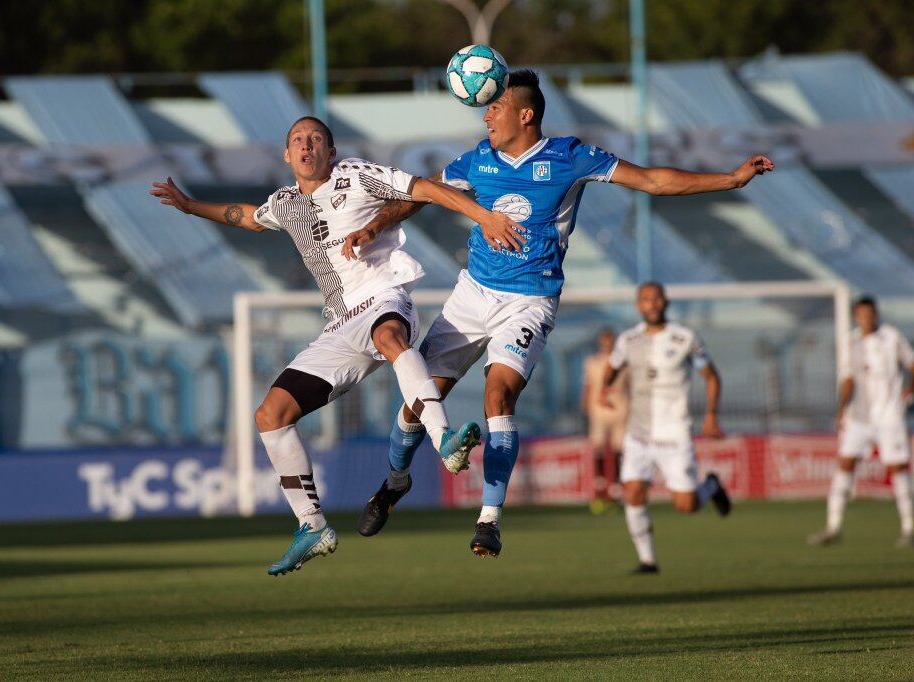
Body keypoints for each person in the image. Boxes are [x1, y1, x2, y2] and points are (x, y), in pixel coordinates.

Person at [355, 69, 773, 557]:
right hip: (471, 296)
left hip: (530, 300)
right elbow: (419, 194)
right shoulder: (478, 159)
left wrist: (731, 178)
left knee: (499, 397)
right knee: (417, 401)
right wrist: (375, 226)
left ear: (526, 114)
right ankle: (395, 482)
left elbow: (652, 180)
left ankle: (489, 519)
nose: (486, 112)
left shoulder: (570, 156)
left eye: (497, 105)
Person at [150, 116, 527, 575]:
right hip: (340, 324)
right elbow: (246, 217)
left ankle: (442, 436)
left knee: (389, 337)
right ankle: (312, 525)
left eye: (316, 139)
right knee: (270, 415)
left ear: (330, 151)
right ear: (287, 155)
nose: (306, 145)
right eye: (297, 140)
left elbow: (424, 190)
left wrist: (484, 216)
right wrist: (190, 207)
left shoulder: (355, 175)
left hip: (385, 297)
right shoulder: (285, 203)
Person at [602, 282, 731, 574]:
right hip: (638, 432)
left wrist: (711, 416)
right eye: (646, 299)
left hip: (675, 432)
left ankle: (711, 485)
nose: (652, 304)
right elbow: (613, 365)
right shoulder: (628, 339)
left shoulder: (685, 338)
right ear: (638, 305)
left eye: (656, 298)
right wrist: (603, 389)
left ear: (665, 302)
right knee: (633, 492)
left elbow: (711, 377)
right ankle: (648, 560)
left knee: (687, 505)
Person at [809, 296, 914, 548]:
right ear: (856, 316)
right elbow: (848, 380)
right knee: (844, 464)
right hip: (860, 417)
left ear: (876, 314)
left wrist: (910, 391)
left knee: (898, 468)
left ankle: (909, 527)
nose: (867, 319)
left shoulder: (891, 337)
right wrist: (841, 409)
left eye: (871, 314)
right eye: (862, 315)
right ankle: (833, 527)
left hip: (889, 414)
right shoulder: (852, 342)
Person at [582, 328, 628, 514]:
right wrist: (585, 404)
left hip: (621, 408)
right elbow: (588, 385)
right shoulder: (592, 362)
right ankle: (599, 490)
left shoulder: (624, 362)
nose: (607, 344)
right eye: (604, 340)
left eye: (610, 340)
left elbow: (632, 386)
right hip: (599, 409)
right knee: (599, 448)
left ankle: (615, 492)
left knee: (619, 449)